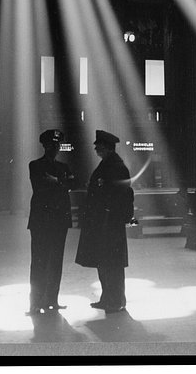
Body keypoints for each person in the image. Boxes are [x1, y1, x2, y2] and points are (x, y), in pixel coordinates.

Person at [75, 130, 134, 314]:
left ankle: (116, 301)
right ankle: (107, 298)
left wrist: (111, 211)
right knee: (104, 261)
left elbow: (123, 194)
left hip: (110, 222)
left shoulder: (116, 166)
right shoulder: (108, 164)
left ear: (107, 147)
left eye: (98, 146)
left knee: (112, 263)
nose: (96, 149)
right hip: (102, 221)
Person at [27, 129, 74, 315]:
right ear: (44, 146)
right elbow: (40, 187)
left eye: (57, 145)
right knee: (39, 261)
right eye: (51, 145)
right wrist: (61, 182)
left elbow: (74, 184)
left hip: (58, 220)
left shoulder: (63, 167)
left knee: (55, 261)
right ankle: (35, 302)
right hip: (42, 220)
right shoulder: (35, 165)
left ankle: (52, 300)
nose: (55, 148)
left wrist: (55, 181)